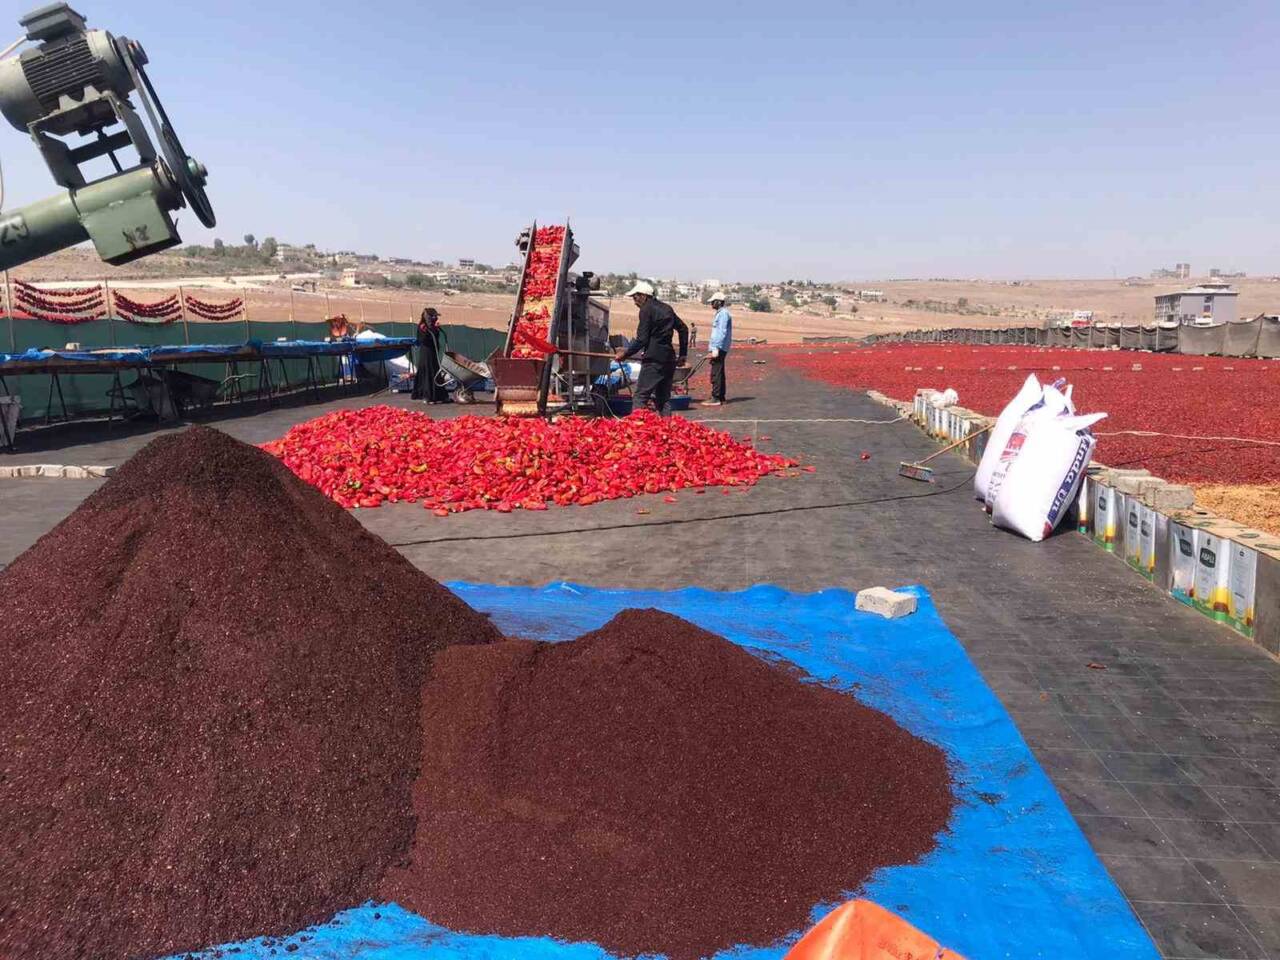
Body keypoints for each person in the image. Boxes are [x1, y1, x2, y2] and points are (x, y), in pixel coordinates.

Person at [616, 281, 688, 414]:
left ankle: (636, 427)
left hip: (654, 360)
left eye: (635, 297)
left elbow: (642, 339)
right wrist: (683, 354)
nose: (634, 301)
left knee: (640, 397)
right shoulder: (667, 308)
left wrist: (625, 354)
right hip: (668, 359)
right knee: (663, 398)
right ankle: (667, 428)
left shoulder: (646, 309)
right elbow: (683, 329)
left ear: (644, 296)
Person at [412, 307, 450, 403]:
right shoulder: (422, 326)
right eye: (434, 317)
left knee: (435, 371)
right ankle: (428, 396)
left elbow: (436, 337)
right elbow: (422, 340)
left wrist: (436, 329)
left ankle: (439, 395)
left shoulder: (433, 326)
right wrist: (427, 331)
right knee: (428, 373)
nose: (436, 319)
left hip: (433, 352)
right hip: (426, 354)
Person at [704, 291, 733, 406]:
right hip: (719, 347)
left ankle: (716, 397)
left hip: (719, 347)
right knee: (719, 371)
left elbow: (721, 332)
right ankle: (721, 397)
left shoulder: (723, 314)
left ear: (718, 302)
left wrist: (715, 348)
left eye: (713, 302)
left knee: (716, 372)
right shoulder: (720, 313)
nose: (711, 304)